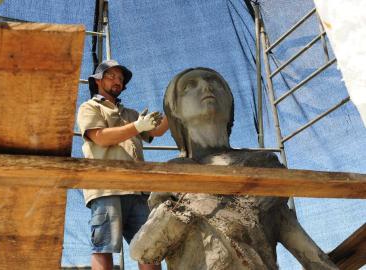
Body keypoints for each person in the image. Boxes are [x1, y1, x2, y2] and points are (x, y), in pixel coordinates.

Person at [130, 68, 338, 270]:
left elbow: (306, 250)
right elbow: (143, 251)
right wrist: (179, 211)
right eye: (190, 86)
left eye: (215, 83)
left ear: (230, 103)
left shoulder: (263, 166)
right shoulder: (172, 175)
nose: (205, 87)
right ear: (175, 110)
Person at [77, 59, 167, 270]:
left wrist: (174, 105)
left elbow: (157, 130)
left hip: (139, 191)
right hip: (107, 188)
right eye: (111, 76)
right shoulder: (90, 107)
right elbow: (99, 137)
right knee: (104, 248)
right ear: (97, 80)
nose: (117, 80)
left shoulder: (131, 114)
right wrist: (136, 127)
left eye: (120, 78)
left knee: (150, 249)